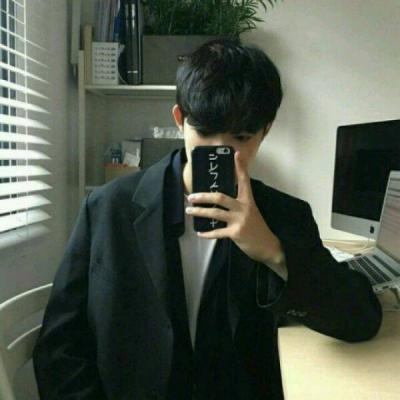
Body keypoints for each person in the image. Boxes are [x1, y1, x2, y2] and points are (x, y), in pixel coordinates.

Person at [33, 38, 382, 400]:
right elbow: (60, 347)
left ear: (266, 130)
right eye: (204, 132)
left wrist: (273, 251)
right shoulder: (109, 208)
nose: (220, 151)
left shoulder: (284, 215)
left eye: (241, 137)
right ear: (180, 120)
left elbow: (361, 320)